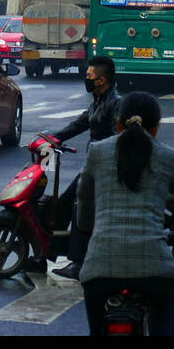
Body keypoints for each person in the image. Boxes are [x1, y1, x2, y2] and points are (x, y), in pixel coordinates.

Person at [76, 92, 174, 336]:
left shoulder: (97, 152)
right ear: (156, 128)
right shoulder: (168, 156)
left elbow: (84, 198)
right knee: (168, 304)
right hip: (155, 272)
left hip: (100, 268)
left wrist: (85, 227)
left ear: (118, 124)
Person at [47, 55, 122, 280]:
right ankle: (48, 252)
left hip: (105, 170)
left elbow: (119, 138)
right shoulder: (98, 102)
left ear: (101, 80)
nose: (86, 79)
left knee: (80, 207)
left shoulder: (115, 104)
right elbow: (79, 124)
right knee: (61, 205)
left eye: (89, 76)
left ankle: (79, 263)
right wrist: (50, 138)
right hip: (92, 167)